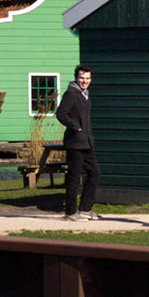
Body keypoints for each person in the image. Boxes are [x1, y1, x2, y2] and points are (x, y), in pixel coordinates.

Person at [56, 65, 99, 220]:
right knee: (74, 177)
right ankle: (70, 212)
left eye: (87, 78)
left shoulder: (85, 95)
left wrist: (87, 135)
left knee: (94, 173)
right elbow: (61, 114)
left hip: (87, 142)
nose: (84, 81)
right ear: (76, 78)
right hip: (75, 143)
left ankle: (86, 209)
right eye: (82, 78)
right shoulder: (72, 94)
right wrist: (76, 127)